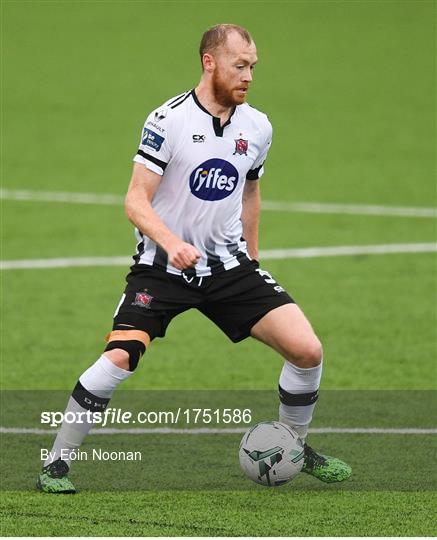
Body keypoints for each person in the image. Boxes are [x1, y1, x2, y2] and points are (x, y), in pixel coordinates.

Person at [37, 23, 351, 493]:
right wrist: (171, 242)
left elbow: (250, 194)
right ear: (210, 62)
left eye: (252, 67)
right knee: (120, 355)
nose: (247, 76)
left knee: (307, 350)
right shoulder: (167, 121)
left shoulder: (258, 126)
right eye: (239, 65)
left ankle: (293, 445)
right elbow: (135, 201)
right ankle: (56, 464)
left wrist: (254, 258)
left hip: (229, 268)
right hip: (163, 268)